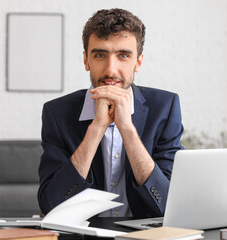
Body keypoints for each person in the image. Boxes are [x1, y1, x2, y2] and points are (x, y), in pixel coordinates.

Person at [38, 8, 184, 218]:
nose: (110, 70)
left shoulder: (165, 107)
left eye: (123, 55)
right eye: (100, 55)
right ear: (86, 60)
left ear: (138, 62)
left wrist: (127, 129)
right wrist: (96, 129)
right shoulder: (57, 113)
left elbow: (169, 205)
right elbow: (50, 206)